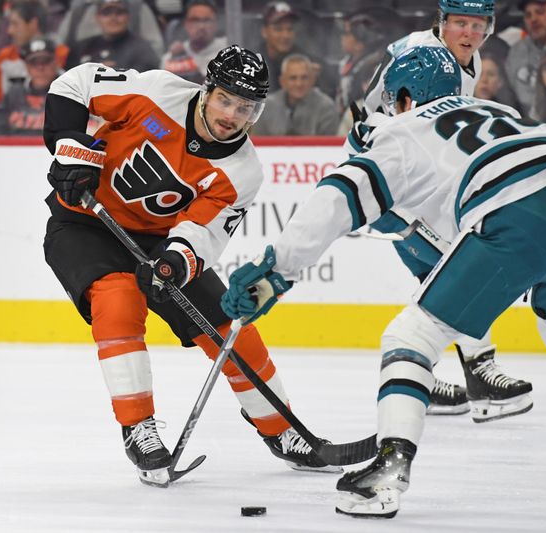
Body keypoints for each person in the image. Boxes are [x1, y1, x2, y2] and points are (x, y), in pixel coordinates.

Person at [220, 45, 546, 518]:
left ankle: (388, 468)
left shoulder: (401, 131)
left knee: (411, 335)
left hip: (516, 210)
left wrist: (276, 269)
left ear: (402, 96)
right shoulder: (495, 108)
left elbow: (337, 198)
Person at [41, 45, 341, 487]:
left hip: (161, 242)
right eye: (225, 99)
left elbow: (205, 231)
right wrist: (71, 150)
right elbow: (75, 84)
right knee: (118, 299)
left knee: (227, 324)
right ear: (206, 91)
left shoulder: (243, 171)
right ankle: (138, 428)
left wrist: (175, 262)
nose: (232, 114)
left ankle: (282, 430)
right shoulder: (157, 92)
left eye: (246, 107)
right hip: (84, 222)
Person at [345, 0, 533, 421]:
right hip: (388, 176)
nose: (468, 33)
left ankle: (416, 377)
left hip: (418, 177)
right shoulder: (415, 54)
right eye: (460, 24)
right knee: (462, 266)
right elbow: (375, 113)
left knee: (438, 275)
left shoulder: (472, 61)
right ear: (442, 23)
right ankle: (477, 372)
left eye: (477, 24)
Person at [0, 0, 69, 103]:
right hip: (15, 115)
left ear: (33, 24)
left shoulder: (60, 53)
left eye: (15, 24)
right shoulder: (5, 56)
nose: (9, 31)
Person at [0, 37, 60, 135]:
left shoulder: (70, 94)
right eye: (34, 62)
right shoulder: (14, 93)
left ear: (56, 63)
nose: (40, 67)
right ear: (27, 66)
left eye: (45, 61)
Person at [254, 53, 339, 136]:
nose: (299, 84)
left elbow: (328, 148)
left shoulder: (327, 108)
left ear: (312, 80)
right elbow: (257, 143)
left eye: (304, 77)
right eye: (293, 78)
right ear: (282, 81)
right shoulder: (266, 106)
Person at [65, 0, 159, 72]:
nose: (113, 18)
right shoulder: (82, 47)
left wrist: (115, 72)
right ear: (97, 17)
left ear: (128, 16)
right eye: (106, 13)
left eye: (119, 13)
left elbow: (147, 81)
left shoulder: (141, 49)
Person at [161, 0, 227, 84]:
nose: (201, 26)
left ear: (216, 24)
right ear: (186, 24)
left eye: (207, 20)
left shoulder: (229, 54)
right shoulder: (172, 58)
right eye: (195, 20)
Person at [335, 12, 385, 115]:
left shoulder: (371, 68)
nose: (342, 38)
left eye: (347, 34)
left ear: (359, 44)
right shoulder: (346, 61)